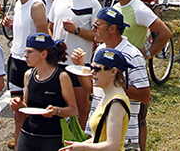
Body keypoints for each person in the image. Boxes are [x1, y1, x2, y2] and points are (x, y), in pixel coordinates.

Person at [70, 8, 149, 151]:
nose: (92, 29)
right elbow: (92, 90)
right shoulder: (100, 52)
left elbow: (145, 96)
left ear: (112, 28)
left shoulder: (133, 55)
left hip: (124, 138)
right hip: (97, 132)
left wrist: (114, 85)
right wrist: (81, 68)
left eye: (97, 26)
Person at [3, 0, 50, 148]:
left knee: (32, 112)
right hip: (15, 61)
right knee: (17, 113)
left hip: (30, 65)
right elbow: (24, 32)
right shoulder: (17, 3)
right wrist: (12, 25)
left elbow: (43, 38)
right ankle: (18, 144)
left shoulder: (36, 5)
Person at [9, 33, 79, 151]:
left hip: (51, 137)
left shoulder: (61, 77)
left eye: (30, 52)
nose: (25, 55)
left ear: (43, 54)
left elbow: (73, 110)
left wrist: (57, 111)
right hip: (28, 134)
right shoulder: (28, 75)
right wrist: (18, 104)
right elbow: (27, 106)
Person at [60, 48, 131, 151]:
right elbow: (98, 138)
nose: (92, 72)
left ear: (113, 72)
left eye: (97, 69)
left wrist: (82, 147)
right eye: (92, 68)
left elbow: (112, 146)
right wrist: (75, 147)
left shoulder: (116, 103)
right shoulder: (107, 96)